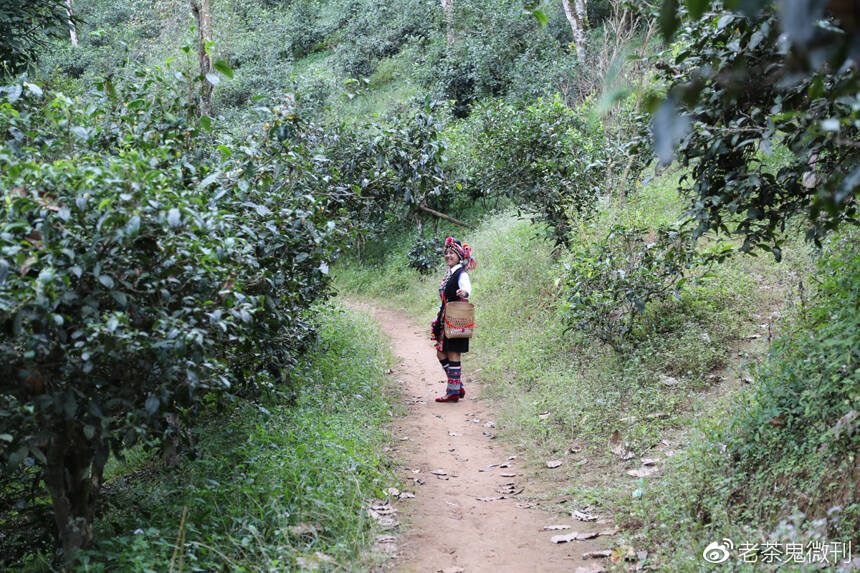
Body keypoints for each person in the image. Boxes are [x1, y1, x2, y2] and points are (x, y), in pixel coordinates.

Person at [431, 236, 475, 403]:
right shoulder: (450, 273)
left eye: (452, 253)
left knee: (453, 352)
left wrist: (464, 293)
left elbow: (467, 288)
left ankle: (453, 392)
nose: (448, 256)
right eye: (446, 253)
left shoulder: (461, 273)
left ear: (459, 256)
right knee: (441, 352)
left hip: (456, 319)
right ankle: (457, 386)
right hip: (446, 318)